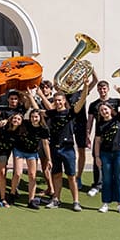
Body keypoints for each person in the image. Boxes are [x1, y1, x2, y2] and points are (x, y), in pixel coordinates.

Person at [38, 80, 91, 212]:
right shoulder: (52, 113)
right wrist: (37, 95)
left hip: (68, 149)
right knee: (56, 175)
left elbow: (82, 100)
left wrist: (85, 86)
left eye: (60, 100)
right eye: (56, 100)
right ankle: (56, 199)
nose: (58, 102)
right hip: (54, 148)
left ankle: (76, 202)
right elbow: (38, 110)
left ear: (64, 101)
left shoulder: (70, 112)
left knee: (71, 177)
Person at [94, 86, 120, 214]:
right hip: (106, 154)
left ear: (110, 109)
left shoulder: (118, 119)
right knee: (107, 178)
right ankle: (105, 203)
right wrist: (97, 157)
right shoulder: (100, 124)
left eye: (106, 109)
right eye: (101, 110)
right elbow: (97, 141)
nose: (104, 111)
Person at [12, 109, 51, 209]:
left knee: (32, 175)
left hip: (32, 153)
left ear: (40, 118)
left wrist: (49, 159)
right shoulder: (25, 123)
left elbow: (45, 144)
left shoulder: (43, 129)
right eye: (32, 117)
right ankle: (12, 193)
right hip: (19, 150)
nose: (34, 119)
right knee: (18, 173)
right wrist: (5, 121)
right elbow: (15, 121)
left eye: (36, 117)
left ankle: (31, 200)